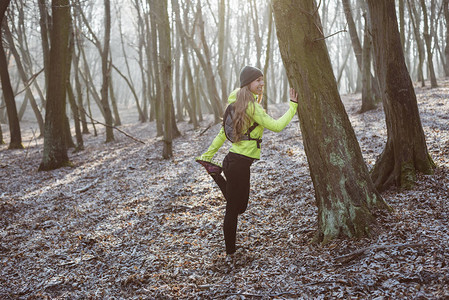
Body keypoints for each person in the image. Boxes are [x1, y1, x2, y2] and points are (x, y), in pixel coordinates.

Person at [196, 65, 298, 256]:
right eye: (258, 80)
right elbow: (276, 126)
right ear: (248, 83)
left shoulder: (237, 105)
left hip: (235, 163)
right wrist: (293, 106)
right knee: (234, 210)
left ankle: (216, 173)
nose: (262, 83)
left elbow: (221, 134)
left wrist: (208, 155)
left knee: (239, 207)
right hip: (237, 165)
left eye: (262, 80)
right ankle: (230, 254)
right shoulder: (251, 106)